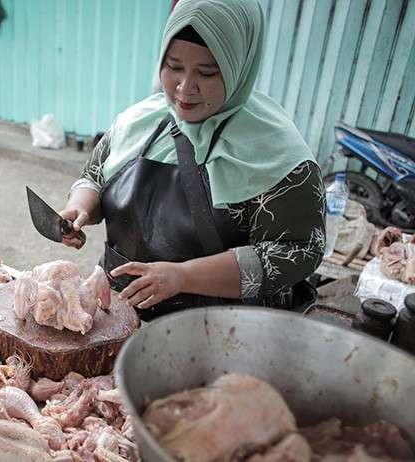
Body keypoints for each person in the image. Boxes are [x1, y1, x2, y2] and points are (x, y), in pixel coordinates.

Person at [60, 0, 325, 322]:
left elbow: (297, 252)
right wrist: (80, 208)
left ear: (239, 66)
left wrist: (184, 276)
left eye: (208, 72)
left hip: (218, 334)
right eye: (173, 67)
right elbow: (94, 176)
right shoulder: (138, 121)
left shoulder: (279, 153)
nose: (185, 88)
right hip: (120, 313)